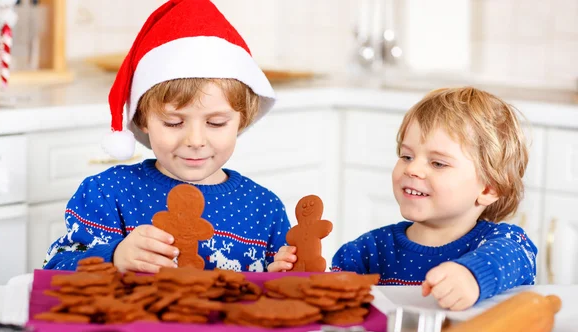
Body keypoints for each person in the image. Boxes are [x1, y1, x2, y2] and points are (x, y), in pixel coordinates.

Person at [43, 0, 289, 273]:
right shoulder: (108, 194)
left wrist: (281, 278)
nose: (195, 140)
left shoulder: (265, 210)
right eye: (174, 122)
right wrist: (115, 256)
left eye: (216, 123)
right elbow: (53, 269)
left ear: (242, 119)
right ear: (142, 119)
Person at [270, 87, 536, 311]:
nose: (412, 169)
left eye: (438, 163)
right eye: (407, 156)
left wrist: (473, 276)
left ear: (489, 188)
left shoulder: (504, 243)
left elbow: (515, 258)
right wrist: (299, 281)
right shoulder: (367, 251)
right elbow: (333, 305)